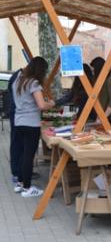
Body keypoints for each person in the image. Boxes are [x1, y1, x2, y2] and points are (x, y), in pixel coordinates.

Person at [13, 57, 55, 197]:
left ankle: (19, 183)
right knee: (28, 156)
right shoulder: (34, 83)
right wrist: (51, 103)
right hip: (31, 124)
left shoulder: (19, 81)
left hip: (18, 122)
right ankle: (27, 187)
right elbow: (41, 105)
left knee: (22, 153)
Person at [7, 68, 21, 183]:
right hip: (16, 114)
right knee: (17, 143)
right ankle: (16, 172)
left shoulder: (17, 75)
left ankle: (18, 170)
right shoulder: (19, 78)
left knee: (16, 143)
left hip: (15, 113)